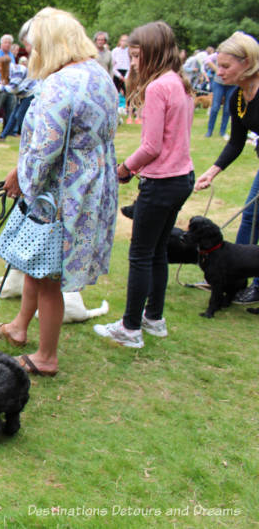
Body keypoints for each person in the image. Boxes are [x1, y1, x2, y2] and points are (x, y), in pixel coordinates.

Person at [0, 8, 118, 376]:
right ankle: (19, 327)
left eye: (33, 47)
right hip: (89, 185)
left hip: (61, 192)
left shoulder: (60, 84)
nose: (30, 54)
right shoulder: (97, 73)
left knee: (47, 273)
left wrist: (22, 181)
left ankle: (46, 357)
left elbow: (46, 150)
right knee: (37, 263)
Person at [94, 21, 195, 349]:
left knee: (140, 254)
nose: (133, 64)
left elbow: (151, 146)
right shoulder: (179, 82)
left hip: (163, 182)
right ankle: (154, 319)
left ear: (153, 53)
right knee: (157, 252)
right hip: (182, 179)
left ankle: (131, 328)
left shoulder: (157, 88)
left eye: (137, 57)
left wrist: (124, 168)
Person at [195, 31, 259, 304]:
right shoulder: (238, 98)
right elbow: (235, 142)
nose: (218, 71)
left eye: (225, 66)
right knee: (249, 218)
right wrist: (212, 170)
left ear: (247, 63)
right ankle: (232, 276)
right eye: (218, 65)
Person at [204, 49, 237, 138]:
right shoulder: (221, 53)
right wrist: (216, 69)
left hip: (233, 84)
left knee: (227, 109)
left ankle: (222, 132)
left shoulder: (237, 54)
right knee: (215, 107)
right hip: (218, 83)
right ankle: (209, 131)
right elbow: (207, 60)